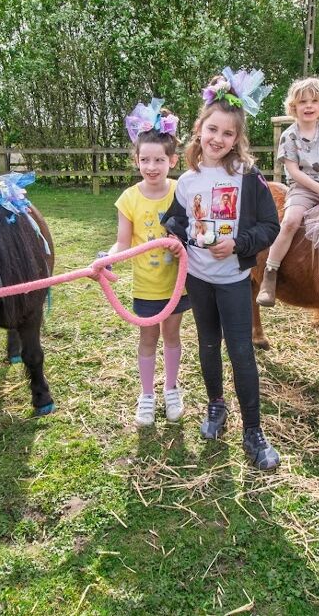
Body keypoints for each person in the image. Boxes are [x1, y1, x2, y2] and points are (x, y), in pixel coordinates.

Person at [163, 68, 282, 470]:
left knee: (242, 352)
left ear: (237, 139)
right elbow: (173, 219)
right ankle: (216, 406)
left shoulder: (248, 177)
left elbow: (270, 226)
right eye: (212, 130)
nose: (218, 139)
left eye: (227, 134)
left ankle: (254, 430)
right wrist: (176, 235)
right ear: (200, 129)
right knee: (208, 347)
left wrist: (238, 244)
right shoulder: (188, 180)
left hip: (233, 283)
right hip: (200, 282)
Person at [109, 99, 191, 427]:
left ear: (172, 160)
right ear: (136, 160)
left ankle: (171, 388)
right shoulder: (128, 198)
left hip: (177, 283)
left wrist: (181, 245)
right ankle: (147, 394)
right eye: (145, 160)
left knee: (172, 335)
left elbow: (192, 232)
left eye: (159, 159)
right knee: (147, 339)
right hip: (145, 285)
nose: (152, 166)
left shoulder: (181, 191)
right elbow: (122, 241)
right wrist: (108, 259)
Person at [257, 77, 319, 306]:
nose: (309, 106)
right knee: (290, 222)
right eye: (303, 102)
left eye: (315, 101)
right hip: (304, 189)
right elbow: (293, 171)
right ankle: (270, 272)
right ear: (294, 107)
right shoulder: (290, 136)